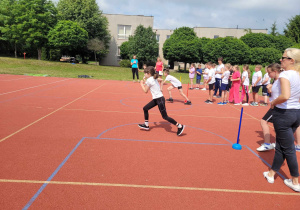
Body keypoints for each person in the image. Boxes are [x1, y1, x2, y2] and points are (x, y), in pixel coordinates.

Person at [263, 48, 300, 192]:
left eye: (283, 57)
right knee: (281, 146)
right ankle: (272, 173)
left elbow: (285, 95)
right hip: (296, 113)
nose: (280, 60)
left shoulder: (286, 74)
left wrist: (273, 102)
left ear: (292, 60)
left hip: (284, 113)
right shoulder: (298, 74)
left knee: (289, 149)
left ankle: (295, 181)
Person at [139, 66, 185, 136]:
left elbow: (145, 91)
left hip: (159, 99)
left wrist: (141, 84)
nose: (144, 74)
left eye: (145, 73)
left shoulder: (150, 79)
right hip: (157, 99)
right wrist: (161, 88)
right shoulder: (153, 78)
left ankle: (180, 126)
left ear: (148, 73)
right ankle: (146, 125)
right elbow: (161, 80)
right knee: (145, 108)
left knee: (165, 117)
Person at [257, 63, 282, 152]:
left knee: (263, 121)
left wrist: (274, 103)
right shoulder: (275, 80)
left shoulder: (280, 80)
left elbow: (283, 95)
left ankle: (267, 144)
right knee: (277, 125)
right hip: (275, 105)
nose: (268, 74)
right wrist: (269, 90)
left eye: (269, 72)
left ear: (275, 71)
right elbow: (273, 95)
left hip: (277, 106)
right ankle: (278, 143)